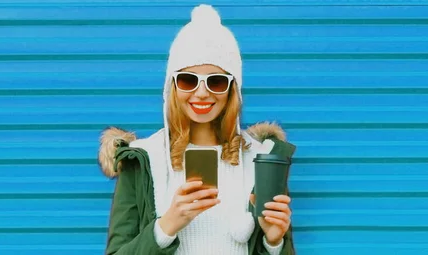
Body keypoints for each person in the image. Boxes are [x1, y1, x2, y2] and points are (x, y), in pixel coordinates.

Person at [98, 4, 295, 255]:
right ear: (173, 87)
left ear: (232, 90)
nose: (202, 93)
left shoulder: (263, 157)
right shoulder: (143, 159)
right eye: (188, 79)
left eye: (216, 81)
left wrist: (274, 242)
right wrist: (166, 226)